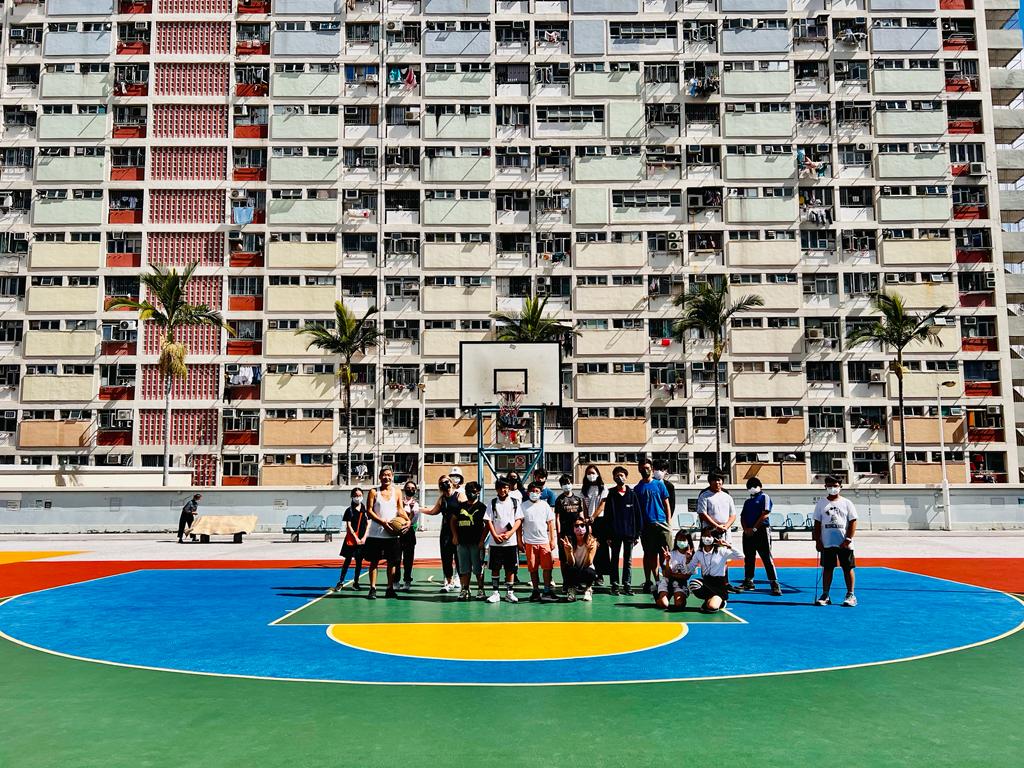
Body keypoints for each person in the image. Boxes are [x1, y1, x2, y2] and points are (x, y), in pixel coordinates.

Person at [812, 477, 858, 607]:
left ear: (840, 487)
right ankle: (825, 595)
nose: (833, 488)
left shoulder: (847, 503)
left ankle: (850, 595)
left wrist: (848, 539)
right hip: (827, 542)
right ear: (826, 487)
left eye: (835, 485)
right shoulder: (821, 503)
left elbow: (853, 521)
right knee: (827, 568)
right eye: (830, 485)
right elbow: (817, 522)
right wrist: (818, 540)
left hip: (844, 543)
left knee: (847, 568)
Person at [363, 467, 407, 600]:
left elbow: (400, 509)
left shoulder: (397, 492)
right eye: (384, 475)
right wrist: (382, 522)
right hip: (376, 534)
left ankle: (389, 588)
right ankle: (373, 588)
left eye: (389, 475)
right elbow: (369, 511)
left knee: (392, 563)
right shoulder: (373, 492)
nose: (386, 477)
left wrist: (408, 520)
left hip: (392, 534)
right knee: (374, 562)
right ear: (379, 477)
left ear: (392, 476)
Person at [633, 457, 672, 593]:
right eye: (643, 468)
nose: (645, 470)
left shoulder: (659, 484)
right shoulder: (637, 489)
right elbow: (636, 510)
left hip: (661, 524)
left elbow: (666, 503)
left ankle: (668, 580)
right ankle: (651, 581)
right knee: (649, 555)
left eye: (648, 468)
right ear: (639, 469)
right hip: (646, 526)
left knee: (666, 554)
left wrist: (668, 522)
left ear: (652, 469)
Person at [696, 470, 738, 591]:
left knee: (724, 557)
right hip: (709, 532)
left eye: (719, 480)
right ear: (710, 482)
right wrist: (716, 526)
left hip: (725, 532)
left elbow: (733, 515)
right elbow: (703, 514)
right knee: (707, 557)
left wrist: (726, 526)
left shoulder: (727, 496)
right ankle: (707, 583)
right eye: (714, 480)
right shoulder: (704, 495)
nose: (717, 482)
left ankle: (725, 583)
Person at [739, 477, 781, 595]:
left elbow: (765, 515)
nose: (752, 488)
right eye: (749, 487)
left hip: (761, 531)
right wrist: (746, 529)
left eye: (754, 486)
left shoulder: (764, 497)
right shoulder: (747, 502)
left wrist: (754, 528)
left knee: (766, 557)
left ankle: (774, 583)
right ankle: (749, 580)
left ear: (760, 486)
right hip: (748, 533)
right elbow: (742, 517)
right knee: (749, 557)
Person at [484, 478, 523, 603]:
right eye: (500, 487)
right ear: (496, 489)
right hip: (495, 542)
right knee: (495, 567)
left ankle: (509, 593)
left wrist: (510, 533)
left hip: (510, 542)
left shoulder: (515, 502)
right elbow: (488, 520)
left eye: (505, 487)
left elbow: (518, 520)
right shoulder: (492, 502)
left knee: (510, 568)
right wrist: (494, 535)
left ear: (509, 488)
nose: (503, 490)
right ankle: (495, 592)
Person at [604, 466, 643, 595]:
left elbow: (638, 515)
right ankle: (614, 585)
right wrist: (608, 535)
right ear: (613, 478)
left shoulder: (632, 495)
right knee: (614, 559)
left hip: (629, 534)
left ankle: (627, 585)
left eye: (621, 475)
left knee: (628, 561)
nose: (619, 477)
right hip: (614, 534)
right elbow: (607, 516)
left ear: (626, 477)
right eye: (616, 475)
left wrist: (637, 534)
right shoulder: (611, 494)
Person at [422, 474, 463, 593]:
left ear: (451, 482)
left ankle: (460, 580)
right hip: (445, 531)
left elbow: (467, 508)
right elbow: (433, 511)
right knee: (446, 557)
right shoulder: (442, 499)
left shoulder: (459, 495)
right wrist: (418, 509)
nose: (445, 484)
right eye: (442, 483)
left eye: (447, 482)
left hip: (459, 530)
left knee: (459, 557)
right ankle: (448, 582)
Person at [520, 481, 558, 601]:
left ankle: (547, 590)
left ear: (541, 493)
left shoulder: (545, 505)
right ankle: (535, 591)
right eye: (532, 491)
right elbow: (519, 524)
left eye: (537, 491)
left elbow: (550, 523)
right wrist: (520, 541)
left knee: (547, 567)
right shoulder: (523, 506)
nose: (534, 493)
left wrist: (552, 540)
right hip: (530, 542)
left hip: (544, 541)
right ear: (528, 492)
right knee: (533, 567)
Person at [689, 534, 743, 613]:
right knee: (693, 583)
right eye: (705, 534)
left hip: (719, 585)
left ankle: (721, 602)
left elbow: (741, 556)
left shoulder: (721, 551)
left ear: (714, 538)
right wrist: (688, 559)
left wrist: (728, 546)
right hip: (707, 582)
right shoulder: (699, 553)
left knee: (712, 607)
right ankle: (708, 598)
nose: (707, 538)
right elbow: (690, 569)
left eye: (710, 536)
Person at [451, 481, 487, 600]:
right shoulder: (460, 506)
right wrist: (455, 536)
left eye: (473, 491)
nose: (470, 493)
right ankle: (465, 589)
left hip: (476, 543)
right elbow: (453, 521)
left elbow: (487, 525)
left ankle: (481, 589)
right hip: (462, 542)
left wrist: (482, 540)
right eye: (468, 491)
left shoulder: (482, 507)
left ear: (478, 492)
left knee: (478, 568)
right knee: (464, 568)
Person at [332, 488, 367, 591]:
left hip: (362, 540)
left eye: (360, 495)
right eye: (356, 495)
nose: (358, 497)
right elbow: (349, 526)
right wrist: (355, 538)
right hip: (351, 540)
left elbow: (368, 524)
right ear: (352, 496)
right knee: (347, 561)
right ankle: (341, 582)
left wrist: (364, 537)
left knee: (359, 562)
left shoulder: (365, 510)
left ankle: (356, 582)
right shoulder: (349, 510)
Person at [554, 477, 585, 591]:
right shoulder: (559, 500)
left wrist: (584, 529)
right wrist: (558, 534)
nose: (566, 485)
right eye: (563, 484)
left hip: (577, 534)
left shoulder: (578, 499)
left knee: (576, 558)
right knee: (564, 559)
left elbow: (581, 516)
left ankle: (577, 582)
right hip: (565, 534)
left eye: (568, 483)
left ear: (572, 483)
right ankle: (566, 583)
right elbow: (557, 518)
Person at [580, 466, 609, 587]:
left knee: (601, 548)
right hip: (589, 522)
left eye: (593, 473)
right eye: (588, 473)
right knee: (590, 548)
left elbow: (602, 505)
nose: (591, 475)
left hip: (600, 521)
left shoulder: (603, 488)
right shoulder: (584, 489)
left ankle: (600, 575)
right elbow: (585, 506)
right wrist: (587, 519)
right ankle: (590, 574)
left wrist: (593, 517)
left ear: (597, 474)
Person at [560, 516, 598, 602]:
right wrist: (569, 551)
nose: (579, 528)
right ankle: (572, 590)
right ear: (573, 528)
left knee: (590, 572)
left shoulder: (592, 541)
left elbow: (589, 563)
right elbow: (571, 563)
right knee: (567, 568)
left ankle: (588, 589)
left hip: (586, 569)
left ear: (586, 527)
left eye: (582, 525)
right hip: (575, 569)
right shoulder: (569, 541)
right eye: (576, 526)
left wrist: (588, 551)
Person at [656, 530, 695, 611]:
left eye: (683, 540)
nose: (681, 542)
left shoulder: (692, 557)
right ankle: (657, 593)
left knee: (679, 604)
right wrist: (667, 561)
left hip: (681, 583)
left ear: (688, 541)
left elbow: (687, 576)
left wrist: (688, 560)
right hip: (667, 581)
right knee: (664, 604)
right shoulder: (672, 554)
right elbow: (666, 574)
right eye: (679, 539)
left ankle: (680, 594)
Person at [395, 480, 420, 591]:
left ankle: (407, 581)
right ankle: (395, 581)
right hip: (397, 533)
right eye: (408, 487)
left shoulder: (416, 504)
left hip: (409, 533)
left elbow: (414, 519)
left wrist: (408, 520)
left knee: (408, 560)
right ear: (404, 489)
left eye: (413, 488)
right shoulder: (399, 502)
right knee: (396, 559)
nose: (410, 489)